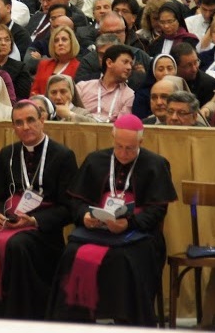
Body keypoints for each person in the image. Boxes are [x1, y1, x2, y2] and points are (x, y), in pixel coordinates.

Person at [0, 100, 78, 319]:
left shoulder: (63, 156)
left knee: (17, 245)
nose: (25, 127)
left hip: (41, 230)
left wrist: (33, 221)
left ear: (42, 120)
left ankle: (17, 317)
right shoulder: (8, 153)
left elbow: (68, 208)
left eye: (31, 120)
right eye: (19, 123)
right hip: (8, 220)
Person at [48, 114, 177, 325]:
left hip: (138, 234)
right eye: (119, 147)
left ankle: (126, 323)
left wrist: (129, 223)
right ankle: (76, 322)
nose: (124, 154)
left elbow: (157, 210)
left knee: (123, 259)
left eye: (130, 148)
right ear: (112, 138)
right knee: (72, 253)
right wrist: (85, 216)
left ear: (140, 143)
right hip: (96, 230)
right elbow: (76, 202)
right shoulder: (95, 160)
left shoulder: (155, 164)